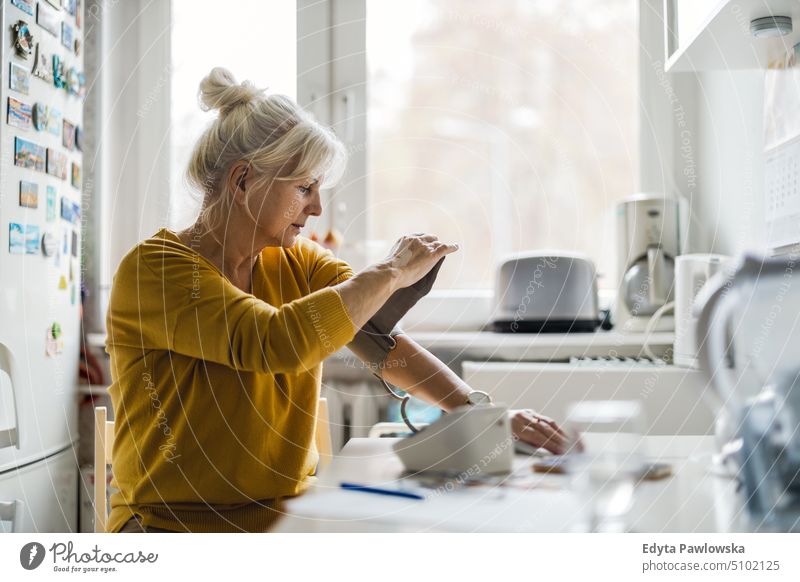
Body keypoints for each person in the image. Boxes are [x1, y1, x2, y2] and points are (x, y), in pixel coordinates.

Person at [106, 67, 570, 533]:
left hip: (286, 519)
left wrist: (482, 415)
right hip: (169, 529)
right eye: (304, 188)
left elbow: (374, 334)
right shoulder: (155, 271)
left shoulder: (299, 263)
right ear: (243, 180)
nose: (316, 209)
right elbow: (271, 343)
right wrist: (389, 271)